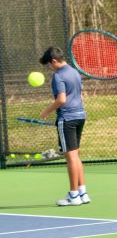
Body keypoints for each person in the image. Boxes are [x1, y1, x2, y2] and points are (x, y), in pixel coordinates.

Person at [39, 46, 90, 206]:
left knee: (71, 158)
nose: (50, 67)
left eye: (49, 64)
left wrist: (46, 111)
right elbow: (82, 95)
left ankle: (73, 195)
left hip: (67, 118)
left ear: (54, 61)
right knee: (76, 156)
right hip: (80, 116)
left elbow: (61, 99)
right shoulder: (75, 71)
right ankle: (83, 193)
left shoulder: (58, 75)